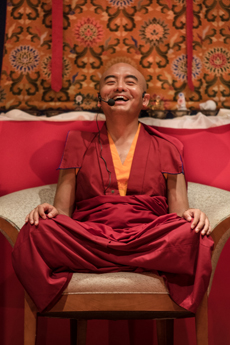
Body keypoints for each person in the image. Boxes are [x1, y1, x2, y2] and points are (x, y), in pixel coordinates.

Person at [12, 63, 214, 313]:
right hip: (91, 236)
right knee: (37, 230)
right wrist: (47, 212)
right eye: (110, 81)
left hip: (146, 236)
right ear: (100, 98)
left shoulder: (168, 146)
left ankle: (106, 261)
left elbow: (178, 214)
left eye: (130, 82)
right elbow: (62, 212)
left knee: (193, 234)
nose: (119, 86)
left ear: (145, 100)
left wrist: (193, 216)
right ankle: (138, 262)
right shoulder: (77, 142)